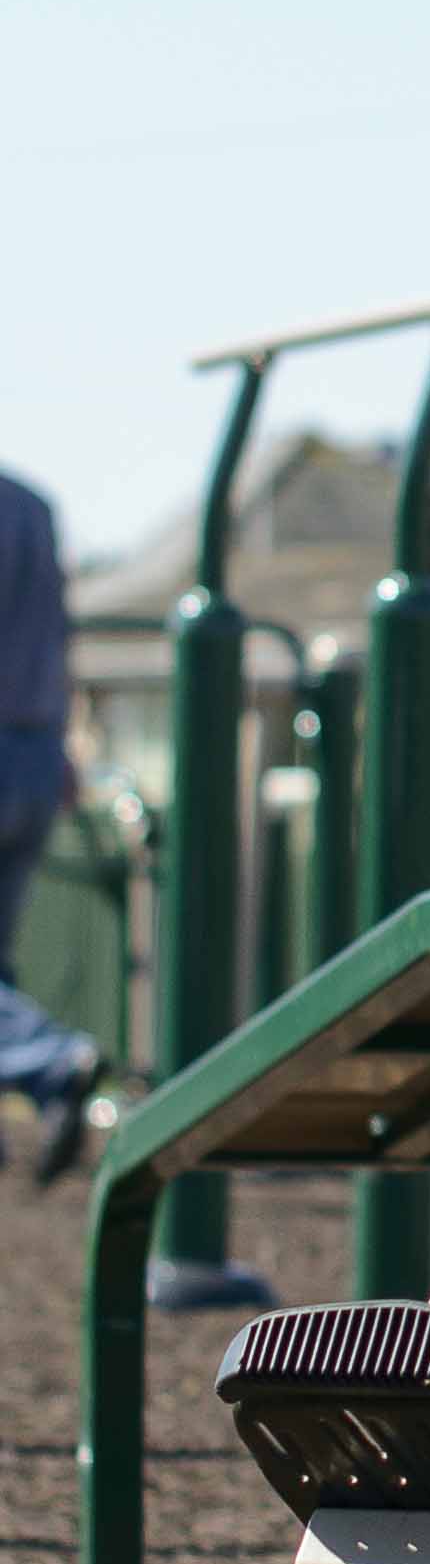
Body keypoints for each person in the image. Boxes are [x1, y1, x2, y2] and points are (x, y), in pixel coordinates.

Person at [0, 470, 101, 1184]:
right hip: (35, 751)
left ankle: (46, 1056)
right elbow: (58, 633)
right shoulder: (33, 505)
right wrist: (64, 743)